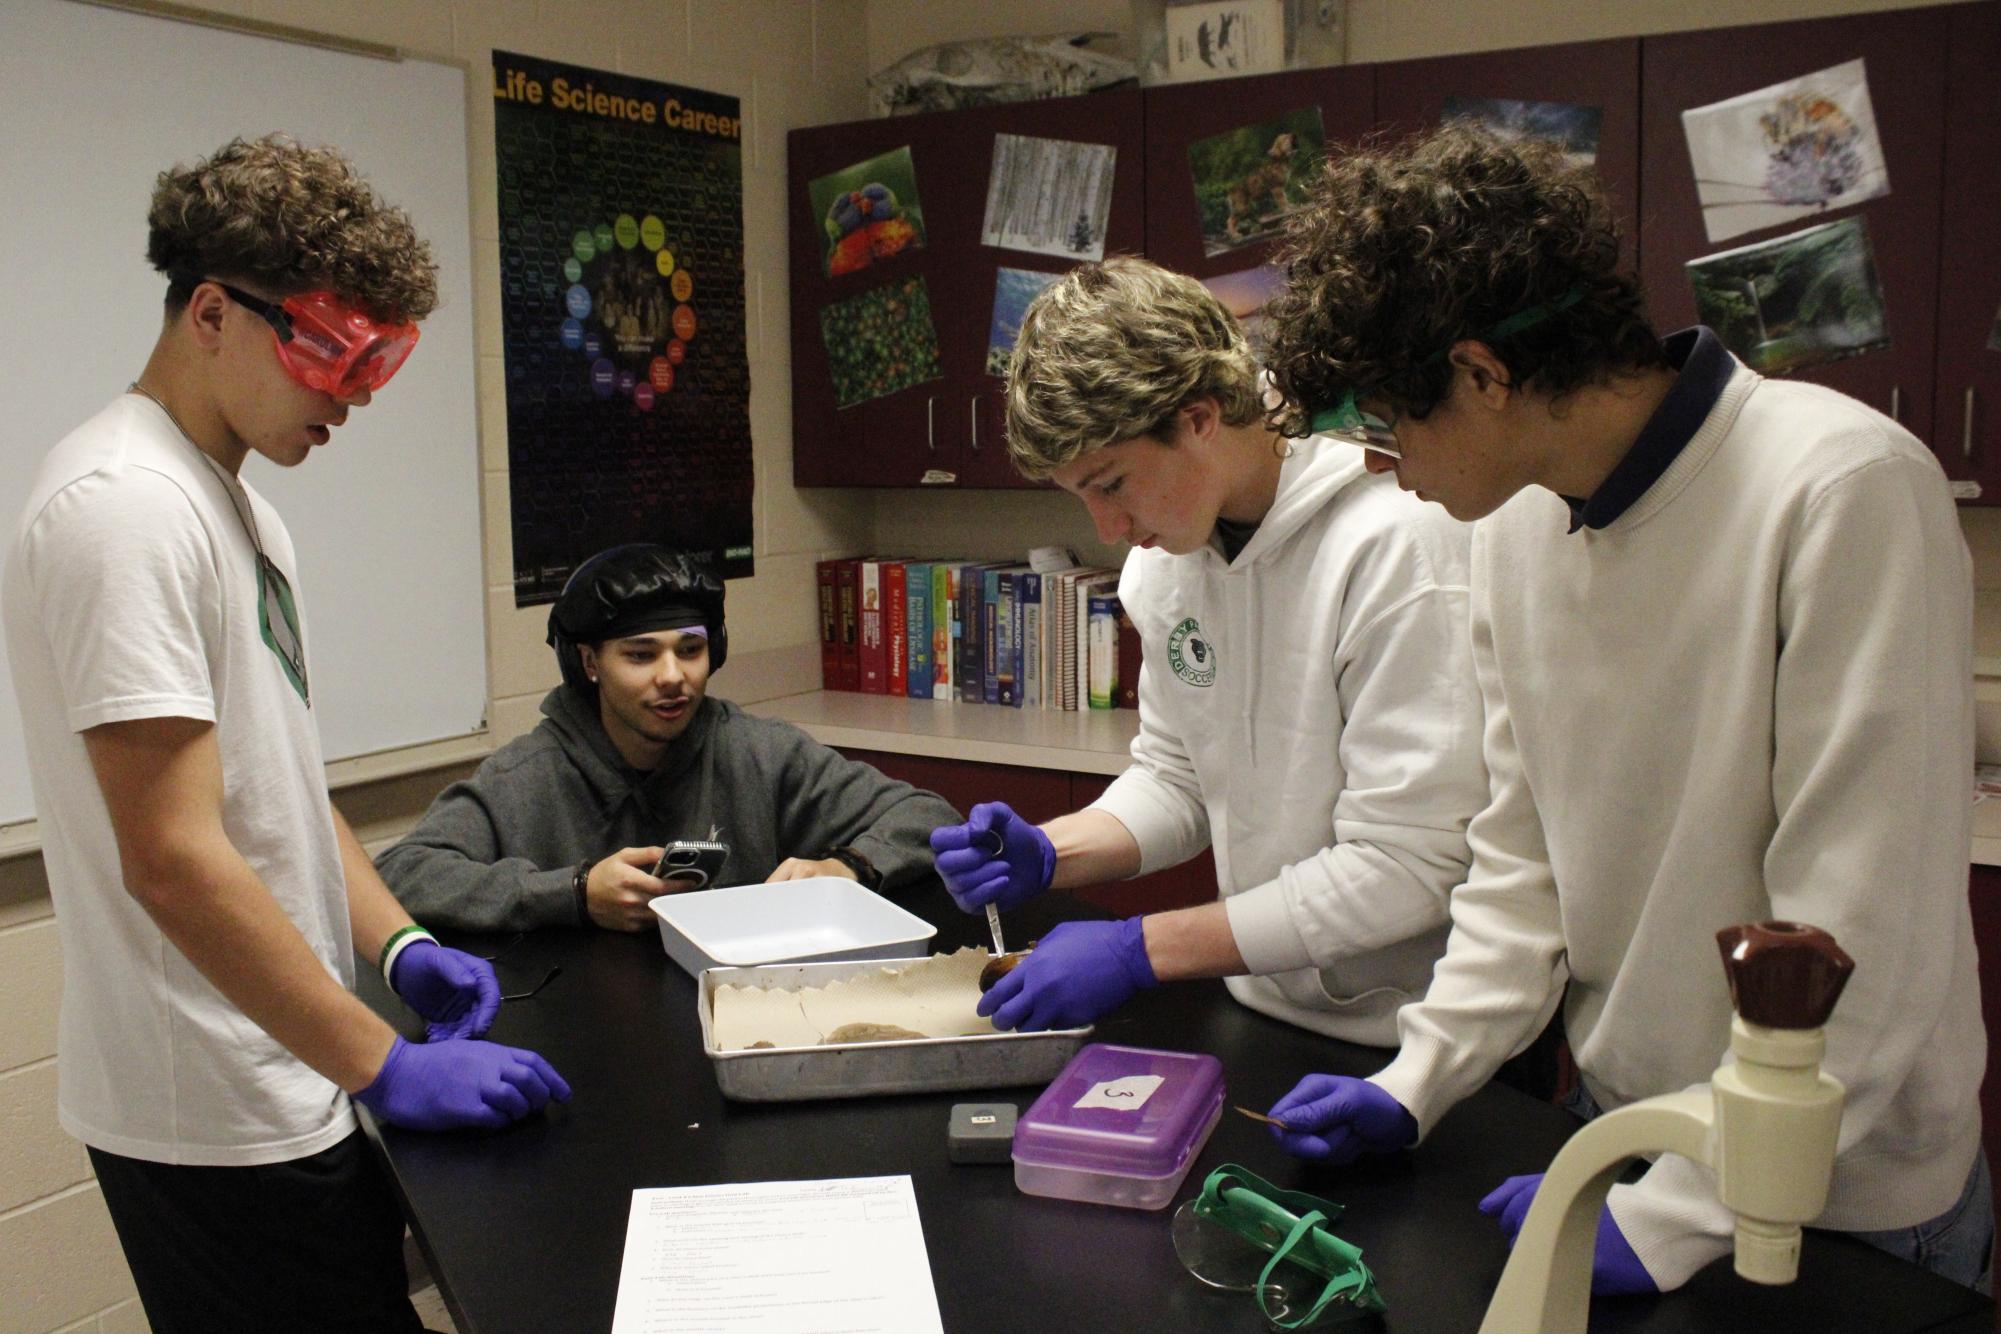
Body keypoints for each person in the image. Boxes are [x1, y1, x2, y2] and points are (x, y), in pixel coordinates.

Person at [1252, 123, 1989, 1297]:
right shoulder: (1516, 528)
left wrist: (1688, 1206)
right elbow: (1522, 861)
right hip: (1624, 1141)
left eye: (1393, 421)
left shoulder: (1841, 490)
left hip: (1836, 1196)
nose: (1383, 464)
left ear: (1484, 374)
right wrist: (1419, 1074)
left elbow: (1862, 947)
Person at [0, 135, 570, 1334]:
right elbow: (173, 855)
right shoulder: (124, 509)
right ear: (213, 312)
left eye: (380, 361)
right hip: (208, 1109)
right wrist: (385, 1059)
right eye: (334, 354)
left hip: (284, 1064)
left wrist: (400, 942)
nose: (354, 396)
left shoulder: (238, 507)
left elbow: (276, 790)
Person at [929, 256, 1489, 1044]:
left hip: (1430, 1040)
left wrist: (1139, 948)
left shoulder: (1398, 539)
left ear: (1197, 417)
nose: (1106, 530)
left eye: (1112, 483)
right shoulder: (1168, 564)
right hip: (1261, 1003)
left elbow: (1405, 868)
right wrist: (1051, 853)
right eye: (1079, 496)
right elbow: (1180, 777)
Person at [378, 544, 961, 931]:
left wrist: (849, 867)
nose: (673, 676)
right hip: (585, 1037)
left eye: (690, 649)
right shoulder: (526, 776)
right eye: (640, 655)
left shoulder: (761, 753)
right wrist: (574, 894)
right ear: (588, 663)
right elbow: (403, 874)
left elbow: (930, 816)